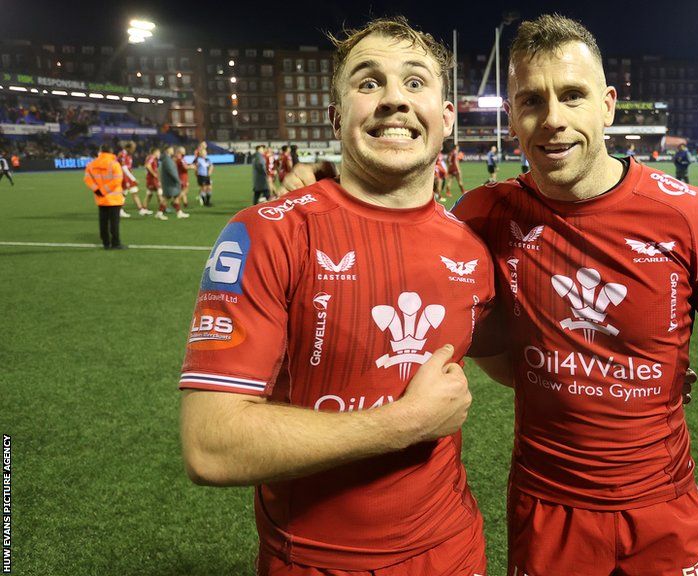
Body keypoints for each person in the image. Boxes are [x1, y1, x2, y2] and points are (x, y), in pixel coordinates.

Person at [453, 14, 698, 574]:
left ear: (608, 105)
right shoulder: (481, 215)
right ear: (513, 116)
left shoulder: (688, 214)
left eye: (573, 96)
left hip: (663, 508)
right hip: (547, 510)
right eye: (531, 102)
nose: (554, 121)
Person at [179, 17, 493, 576]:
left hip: (454, 551)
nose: (395, 99)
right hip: (316, 561)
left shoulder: (473, 250)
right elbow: (211, 445)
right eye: (368, 82)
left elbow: (513, 356)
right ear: (336, 116)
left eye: (416, 83)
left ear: (447, 119)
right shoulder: (267, 233)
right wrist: (406, 422)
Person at [83, 144, 126, 249]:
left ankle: (106, 243)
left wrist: (97, 190)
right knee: (114, 223)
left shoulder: (92, 164)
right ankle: (115, 243)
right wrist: (104, 190)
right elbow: (117, 180)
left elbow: (87, 179)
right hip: (114, 199)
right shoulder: (114, 164)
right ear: (111, 152)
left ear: (100, 151)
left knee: (103, 222)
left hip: (101, 198)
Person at [118, 141, 151, 217]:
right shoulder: (122, 154)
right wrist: (133, 178)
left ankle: (141, 210)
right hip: (123, 177)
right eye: (133, 148)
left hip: (128, 176)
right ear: (128, 147)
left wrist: (132, 176)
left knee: (134, 191)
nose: (134, 150)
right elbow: (124, 168)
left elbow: (128, 167)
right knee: (123, 194)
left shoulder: (129, 155)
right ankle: (119, 210)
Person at [159, 146, 189, 219]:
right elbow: (171, 171)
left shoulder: (167, 159)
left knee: (176, 196)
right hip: (169, 182)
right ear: (167, 150)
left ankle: (179, 212)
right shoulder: (167, 159)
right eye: (171, 149)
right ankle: (159, 213)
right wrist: (178, 180)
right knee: (167, 197)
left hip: (170, 181)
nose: (173, 150)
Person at [143, 147, 164, 216]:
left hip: (150, 178)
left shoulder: (152, 158)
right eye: (158, 152)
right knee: (160, 192)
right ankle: (162, 208)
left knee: (149, 194)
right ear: (155, 152)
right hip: (153, 179)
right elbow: (147, 166)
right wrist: (154, 174)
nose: (159, 154)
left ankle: (144, 209)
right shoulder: (152, 157)